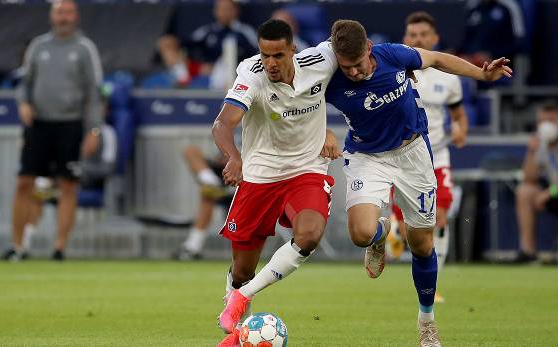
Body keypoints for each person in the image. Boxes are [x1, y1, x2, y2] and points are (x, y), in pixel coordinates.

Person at [324, 20, 511, 346]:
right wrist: (323, 132)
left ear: (369, 49)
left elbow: (437, 59)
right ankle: (381, 234)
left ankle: (426, 322)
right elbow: (302, 103)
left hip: (413, 155)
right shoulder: (333, 79)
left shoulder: (394, 56)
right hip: (368, 158)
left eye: (357, 64)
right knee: (361, 233)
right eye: (346, 66)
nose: (353, 72)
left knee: (422, 244)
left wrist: (481, 74)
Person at [212, 19, 340, 346]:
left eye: (278, 56)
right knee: (242, 271)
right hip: (260, 174)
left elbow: (357, 50)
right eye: (265, 55)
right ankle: (237, 321)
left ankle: (241, 300)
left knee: (309, 235)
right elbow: (222, 124)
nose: (270, 63)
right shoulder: (251, 75)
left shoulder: (321, 61)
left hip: (307, 169)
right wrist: (234, 157)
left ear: (292, 50)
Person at [3, 0, 104, 262]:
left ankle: (59, 248)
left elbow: (94, 94)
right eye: (59, 12)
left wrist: (93, 130)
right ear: (52, 15)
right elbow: (24, 84)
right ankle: (17, 246)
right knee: (24, 182)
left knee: (67, 186)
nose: (64, 17)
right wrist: (23, 103)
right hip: (38, 126)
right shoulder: (39, 46)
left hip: (69, 125)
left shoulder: (84, 48)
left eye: (68, 12)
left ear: (76, 15)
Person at [388, 11, 470, 304]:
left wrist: (461, 130)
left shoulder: (447, 76)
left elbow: (459, 116)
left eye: (424, 35)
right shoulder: (394, 69)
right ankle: (395, 231)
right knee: (412, 224)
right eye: (413, 35)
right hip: (404, 155)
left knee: (441, 216)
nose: (418, 39)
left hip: (438, 155)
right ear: (405, 38)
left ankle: (433, 286)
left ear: (434, 39)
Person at [19, 124, 117, 255]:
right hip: (57, 181)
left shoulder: (106, 132)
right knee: (40, 188)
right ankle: (24, 244)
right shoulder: (63, 128)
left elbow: (107, 168)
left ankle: (59, 248)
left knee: (68, 189)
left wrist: (78, 172)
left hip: (85, 182)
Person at [515, 101, 558, 263]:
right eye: (543, 122)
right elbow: (529, 178)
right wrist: (532, 151)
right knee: (524, 192)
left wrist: (548, 193)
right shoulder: (541, 140)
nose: (547, 126)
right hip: (556, 194)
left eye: (552, 121)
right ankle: (528, 252)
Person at [157, 0, 257, 89]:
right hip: (205, 70)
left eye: (226, 9)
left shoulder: (244, 32)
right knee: (166, 43)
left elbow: (257, 55)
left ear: (235, 11)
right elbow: (187, 42)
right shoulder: (208, 30)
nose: (223, 12)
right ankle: (182, 83)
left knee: (225, 57)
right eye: (220, 9)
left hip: (232, 73)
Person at [175, 146, 234, 259]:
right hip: (222, 172)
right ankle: (211, 183)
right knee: (191, 151)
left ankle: (193, 246)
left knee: (208, 196)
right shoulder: (229, 129)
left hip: (245, 178)